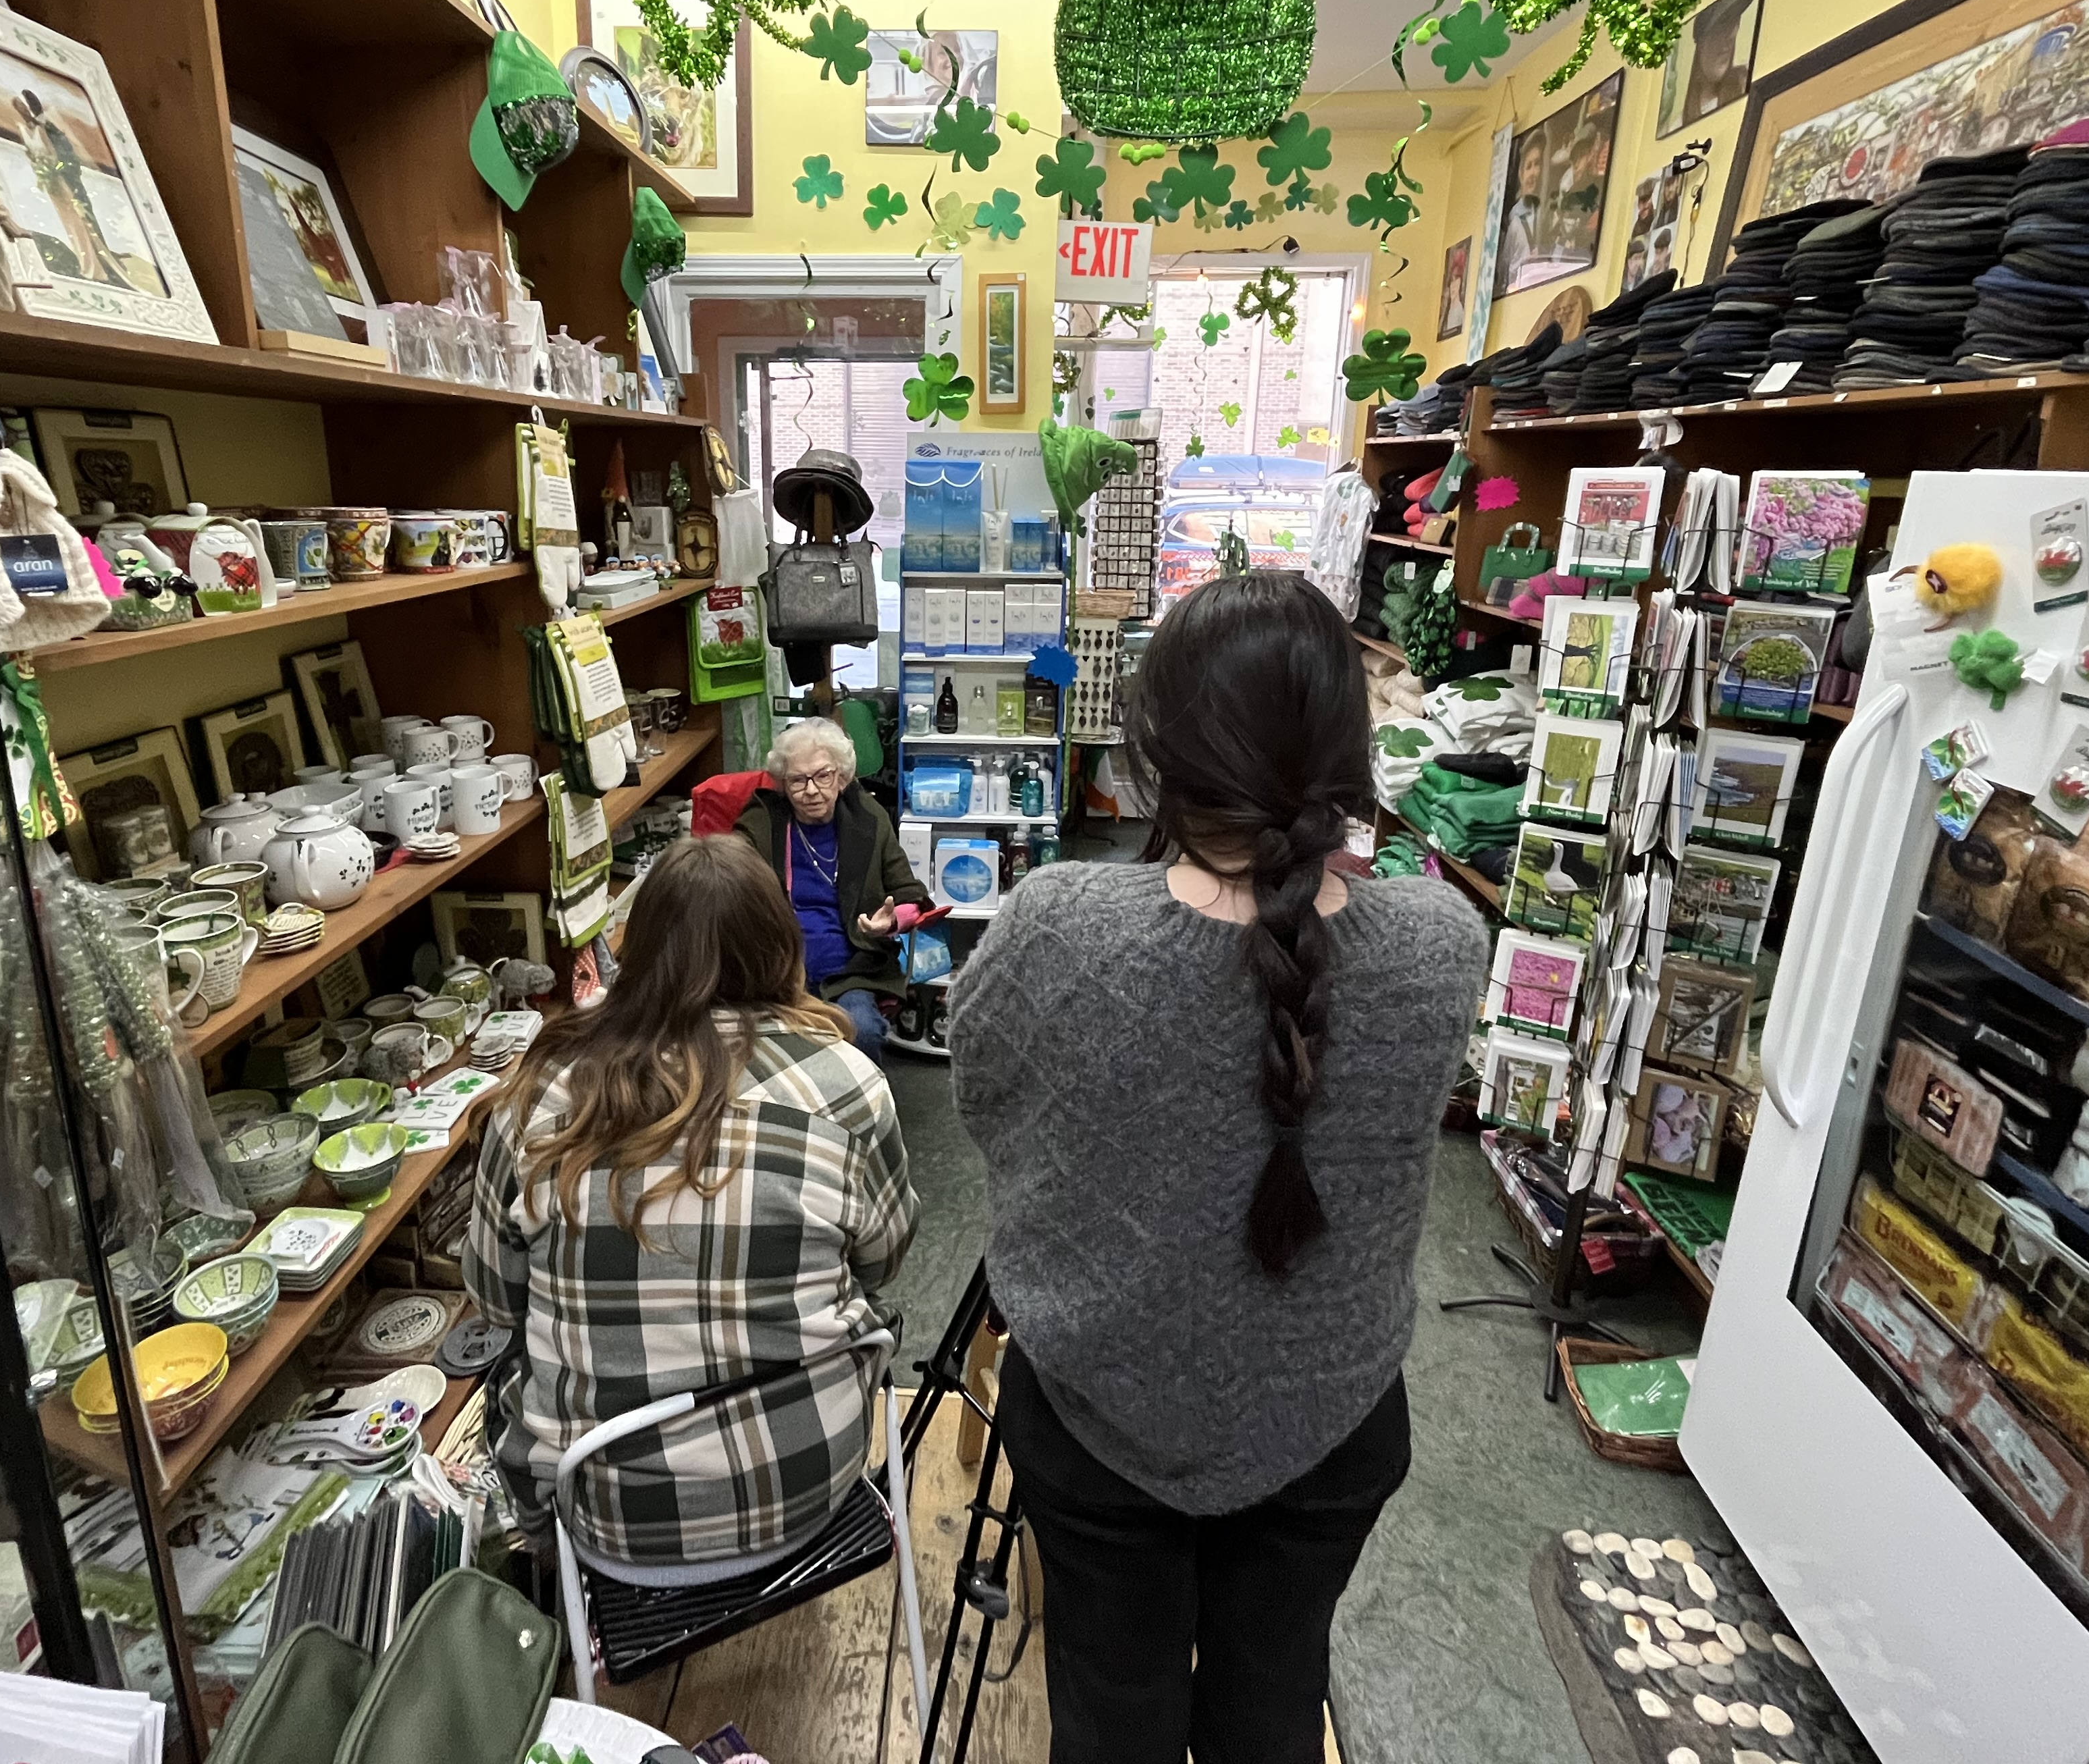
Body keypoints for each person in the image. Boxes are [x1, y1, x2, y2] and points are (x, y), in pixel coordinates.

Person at [950, 572, 1485, 1764]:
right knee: (1276, 1698)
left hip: (1096, 1404)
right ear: (1353, 746)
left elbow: (985, 1100)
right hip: (1332, 1411)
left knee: (1108, 1706)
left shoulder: (1058, 926)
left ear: (1158, 748)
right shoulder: (1442, 946)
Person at [467, 834, 918, 1578]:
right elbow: (884, 1258)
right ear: (781, 943)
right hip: (811, 1475)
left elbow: (494, 1300)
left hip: (612, 1513)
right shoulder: (847, 1082)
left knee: (515, 1374)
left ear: (635, 951)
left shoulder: (539, 1096)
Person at [733, 716, 928, 1060]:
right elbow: (725, 877)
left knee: (862, 1031)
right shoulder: (762, 822)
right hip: (777, 973)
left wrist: (892, 920)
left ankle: (860, 1109)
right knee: (754, 1044)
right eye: (797, 780)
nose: (811, 790)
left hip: (850, 973)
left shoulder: (869, 819)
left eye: (823, 776)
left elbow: (912, 897)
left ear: (841, 777)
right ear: (783, 783)